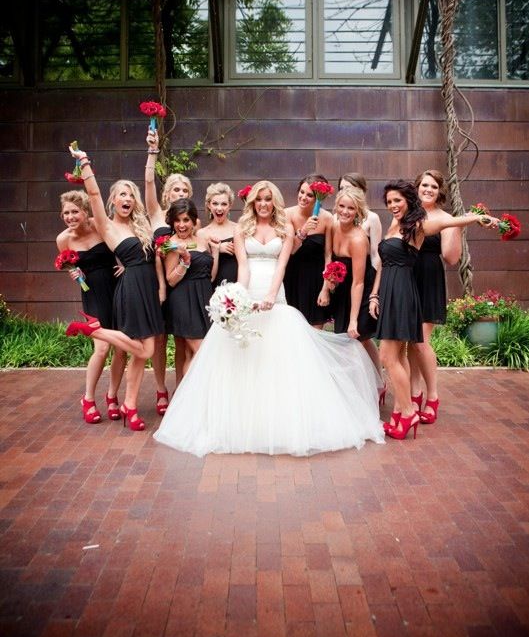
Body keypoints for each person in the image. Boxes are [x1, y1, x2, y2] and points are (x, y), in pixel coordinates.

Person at [154, 180, 385, 457]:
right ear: (252, 202)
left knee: (276, 359)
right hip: (249, 296)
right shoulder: (242, 229)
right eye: (258, 200)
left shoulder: (284, 228)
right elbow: (243, 267)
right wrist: (240, 297)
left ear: (273, 201)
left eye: (267, 199)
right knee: (243, 358)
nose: (263, 204)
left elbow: (282, 266)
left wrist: (271, 297)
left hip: (274, 297)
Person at [369, 179, 500, 441]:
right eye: (390, 201)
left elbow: (448, 223)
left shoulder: (416, 225)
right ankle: (401, 411)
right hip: (389, 291)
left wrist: (477, 218)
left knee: (387, 357)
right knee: (396, 355)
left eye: (398, 200)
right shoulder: (394, 224)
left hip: (403, 292)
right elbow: (383, 263)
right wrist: (374, 294)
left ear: (408, 200)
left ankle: (407, 412)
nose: (393, 205)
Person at [65, 145, 165, 431]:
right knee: (144, 351)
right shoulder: (107, 227)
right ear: (113, 200)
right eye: (122, 194)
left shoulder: (143, 225)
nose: (128, 198)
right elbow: (93, 195)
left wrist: (152, 152)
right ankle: (96, 330)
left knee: (141, 353)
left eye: (131, 195)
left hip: (148, 289)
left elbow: (149, 184)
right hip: (132, 291)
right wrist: (84, 162)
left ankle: (130, 406)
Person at [57, 190, 127, 424]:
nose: (70, 217)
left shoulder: (100, 225)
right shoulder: (63, 239)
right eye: (66, 212)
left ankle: (112, 397)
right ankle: (88, 399)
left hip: (116, 289)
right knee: (101, 348)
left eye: (74, 211)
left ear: (85, 211)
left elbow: (125, 246)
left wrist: (127, 266)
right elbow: (69, 265)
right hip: (93, 295)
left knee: (120, 347)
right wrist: (74, 273)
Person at [318, 186, 384, 396]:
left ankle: (369, 388)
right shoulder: (333, 226)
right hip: (341, 289)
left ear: (358, 212)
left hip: (359, 292)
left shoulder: (358, 239)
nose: (345, 212)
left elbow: (358, 282)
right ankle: (368, 386)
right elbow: (329, 258)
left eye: (351, 209)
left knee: (357, 336)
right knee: (351, 339)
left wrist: (353, 319)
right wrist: (326, 288)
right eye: (342, 206)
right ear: (336, 206)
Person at [408, 170, 462, 424]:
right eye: (423, 185)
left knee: (420, 340)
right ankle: (413, 394)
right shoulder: (408, 214)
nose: (427, 189)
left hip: (429, 280)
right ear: (417, 188)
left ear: (439, 191)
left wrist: (458, 227)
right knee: (408, 341)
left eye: (433, 186)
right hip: (406, 279)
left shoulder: (446, 218)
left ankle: (432, 396)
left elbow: (451, 258)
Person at [145, 127, 194, 400]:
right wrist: (152, 149)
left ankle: (181, 390)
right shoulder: (157, 215)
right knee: (159, 340)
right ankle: (161, 389)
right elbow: (149, 182)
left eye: (185, 189)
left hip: (182, 286)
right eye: (176, 188)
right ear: (167, 193)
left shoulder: (189, 221)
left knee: (181, 340)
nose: (180, 192)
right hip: (159, 288)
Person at [164, 199, 220, 376]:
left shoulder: (202, 240)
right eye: (178, 220)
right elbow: (171, 280)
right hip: (184, 300)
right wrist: (185, 262)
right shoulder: (171, 244)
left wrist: (216, 252)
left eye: (186, 220)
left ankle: (186, 398)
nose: (181, 225)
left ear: (194, 221)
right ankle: (189, 398)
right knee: (201, 349)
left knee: (193, 352)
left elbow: (210, 275)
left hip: (204, 298)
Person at [284, 174, 333, 327]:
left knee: (315, 332)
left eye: (309, 195)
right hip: (291, 278)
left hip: (315, 280)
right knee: (291, 330)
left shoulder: (327, 218)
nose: (303, 197)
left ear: (319, 197)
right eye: (302, 192)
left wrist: (325, 288)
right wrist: (303, 232)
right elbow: (289, 251)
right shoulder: (287, 214)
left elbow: (328, 255)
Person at [196, 183, 238, 288]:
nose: (219, 208)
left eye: (224, 204)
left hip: (235, 285)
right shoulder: (201, 233)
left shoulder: (238, 228)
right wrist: (218, 249)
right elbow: (200, 266)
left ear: (230, 205)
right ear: (209, 205)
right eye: (215, 203)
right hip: (212, 285)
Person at [338, 173, 382, 270]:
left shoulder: (372, 218)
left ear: (361, 191)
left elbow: (375, 255)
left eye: (349, 188)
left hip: (364, 272)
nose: (344, 192)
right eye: (341, 189)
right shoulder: (335, 218)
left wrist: (374, 282)